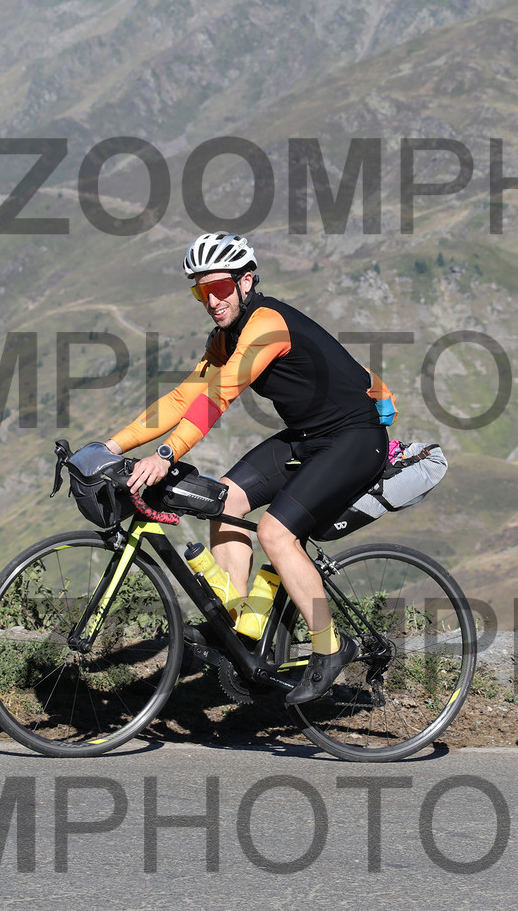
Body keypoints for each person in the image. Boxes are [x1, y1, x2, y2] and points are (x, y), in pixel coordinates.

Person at [103, 232, 394, 704]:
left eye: (220, 288)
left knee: (276, 534)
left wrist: (165, 454)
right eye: (201, 291)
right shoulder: (225, 337)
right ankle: (239, 625)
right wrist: (109, 447)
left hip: (355, 438)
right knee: (223, 499)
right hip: (308, 437)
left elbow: (218, 398)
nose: (211, 301)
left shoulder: (267, 325)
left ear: (246, 281)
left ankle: (330, 646)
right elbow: (183, 398)